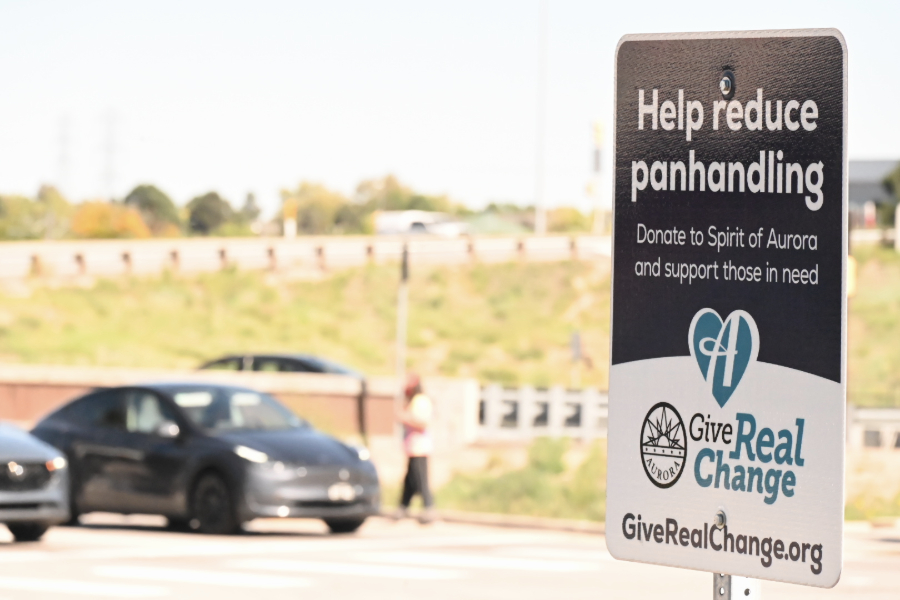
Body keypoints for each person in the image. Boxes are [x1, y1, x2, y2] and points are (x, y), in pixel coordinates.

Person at [395, 373, 435, 524]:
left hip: (420, 447)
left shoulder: (421, 401)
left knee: (421, 479)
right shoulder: (412, 401)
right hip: (412, 447)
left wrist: (405, 418)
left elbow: (422, 422)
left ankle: (429, 508)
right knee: (410, 479)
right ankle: (403, 507)